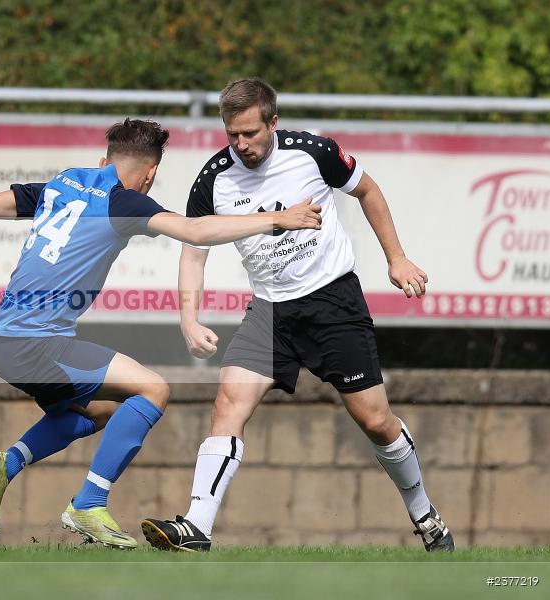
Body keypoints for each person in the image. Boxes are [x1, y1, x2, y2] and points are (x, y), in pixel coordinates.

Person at [0, 118, 322, 548]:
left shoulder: (64, 182)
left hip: (2, 342)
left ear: (104, 158)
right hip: (37, 346)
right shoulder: (122, 200)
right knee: (154, 390)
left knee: (99, 411)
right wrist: (278, 219)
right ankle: (89, 504)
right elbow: (193, 229)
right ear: (149, 174)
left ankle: (3, 467)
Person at [141, 79, 455, 553]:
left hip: (333, 303)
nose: (241, 144)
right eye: (232, 135)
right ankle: (198, 526)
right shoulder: (214, 178)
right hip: (269, 311)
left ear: (273, 122)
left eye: (250, 133)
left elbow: (367, 190)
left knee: (375, 421)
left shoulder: (313, 152)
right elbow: (194, 247)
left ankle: (426, 516)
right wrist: (189, 318)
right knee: (228, 403)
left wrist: (396, 258)